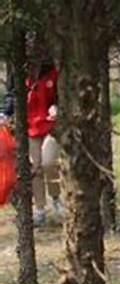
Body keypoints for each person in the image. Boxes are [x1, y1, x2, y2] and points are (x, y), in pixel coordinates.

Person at [0, 33, 62, 226]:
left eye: (37, 46)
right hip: (30, 126)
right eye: (29, 46)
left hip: (51, 125)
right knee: (34, 167)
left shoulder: (53, 71)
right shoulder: (19, 71)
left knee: (49, 162)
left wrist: (57, 106)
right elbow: (12, 96)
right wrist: (4, 113)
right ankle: (41, 209)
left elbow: (61, 95)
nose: (33, 50)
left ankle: (56, 198)